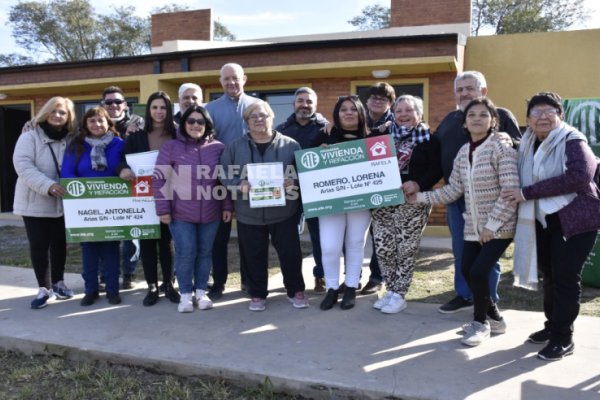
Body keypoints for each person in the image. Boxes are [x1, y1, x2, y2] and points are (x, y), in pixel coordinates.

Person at [409, 97, 519, 346]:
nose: (477, 119)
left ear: (493, 121)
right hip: (473, 226)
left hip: (499, 226)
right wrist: (418, 197)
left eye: (483, 114)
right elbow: (452, 191)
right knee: (468, 271)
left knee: (480, 271)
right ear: (465, 123)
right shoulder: (462, 152)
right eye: (472, 115)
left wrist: (492, 225)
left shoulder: (502, 149)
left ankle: (480, 324)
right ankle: (495, 317)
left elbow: (510, 191)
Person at [502, 92, 600, 361]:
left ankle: (563, 338)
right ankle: (552, 326)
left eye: (549, 111)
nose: (543, 116)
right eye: (536, 112)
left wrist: (528, 192)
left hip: (576, 221)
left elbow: (580, 177)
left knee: (566, 279)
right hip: (543, 220)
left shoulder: (572, 140)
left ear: (560, 115)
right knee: (550, 277)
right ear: (528, 120)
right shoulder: (527, 144)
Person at [435, 71, 521, 314]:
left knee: (486, 258)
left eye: (469, 88)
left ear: (483, 91)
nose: (464, 93)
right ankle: (464, 295)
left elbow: (519, 145)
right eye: (460, 89)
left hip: (489, 202)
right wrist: (419, 187)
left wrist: (508, 140)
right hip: (456, 198)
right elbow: (434, 156)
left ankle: (488, 302)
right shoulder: (451, 119)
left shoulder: (500, 114)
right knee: (462, 254)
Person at [220, 100, 307, 312]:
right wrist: (238, 185)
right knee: (253, 255)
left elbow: (303, 175)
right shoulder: (235, 147)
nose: (259, 119)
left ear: (272, 117)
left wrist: (292, 182)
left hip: (284, 212)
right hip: (248, 214)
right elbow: (223, 175)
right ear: (247, 122)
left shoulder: (291, 145)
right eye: (253, 117)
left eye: (263, 115)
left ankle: (295, 290)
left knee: (290, 254)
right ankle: (257, 293)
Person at [153, 105, 233, 313]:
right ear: (184, 123)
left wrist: (226, 205)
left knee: (205, 253)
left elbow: (223, 180)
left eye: (200, 122)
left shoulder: (218, 148)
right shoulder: (171, 147)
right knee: (186, 253)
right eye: (191, 121)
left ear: (207, 125)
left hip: (211, 212)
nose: (195, 125)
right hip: (180, 213)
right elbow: (160, 180)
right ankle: (186, 295)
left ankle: (201, 292)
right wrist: (163, 209)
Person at [370, 95, 442, 314]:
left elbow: (437, 168)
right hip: (383, 202)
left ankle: (400, 294)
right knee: (384, 249)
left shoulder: (429, 139)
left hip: (412, 202)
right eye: (399, 110)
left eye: (408, 110)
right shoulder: (381, 136)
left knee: (405, 249)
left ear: (419, 114)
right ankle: (390, 289)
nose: (403, 115)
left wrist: (419, 183)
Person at [13, 96, 78, 309]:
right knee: (39, 246)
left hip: (63, 202)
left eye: (63, 113)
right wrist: (47, 185)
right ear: (46, 112)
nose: (57, 116)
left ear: (69, 117)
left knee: (59, 245)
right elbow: (23, 165)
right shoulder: (29, 135)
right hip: (35, 201)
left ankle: (58, 283)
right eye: (54, 111)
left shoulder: (72, 137)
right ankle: (43, 288)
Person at [118, 91, 180, 306]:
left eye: (163, 107)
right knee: (146, 241)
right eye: (154, 107)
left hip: (172, 195)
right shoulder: (136, 136)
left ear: (169, 110)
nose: (159, 111)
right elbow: (120, 159)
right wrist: (123, 169)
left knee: (166, 242)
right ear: (148, 110)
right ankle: (152, 286)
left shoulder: (178, 135)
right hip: (142, 197)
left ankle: (169, 284)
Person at [205, 63, 259, 300]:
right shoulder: (210, 109)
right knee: (220, 238)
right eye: (226, 79)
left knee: (250, 236)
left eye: (235, 78)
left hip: (253, 181)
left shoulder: (256, 106)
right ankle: (219, 282)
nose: (231, 83)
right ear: (220, 81)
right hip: (222, 181)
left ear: (244, 79)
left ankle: (248, 281)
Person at [61, 106, 125, 306]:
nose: (97, 125)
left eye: (101, 121)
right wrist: (83, 190)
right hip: (85, 207)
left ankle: (113, 290)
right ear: (85, 125)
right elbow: (67, 173)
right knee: (89, 250)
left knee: (111, 250)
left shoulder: (119, 144)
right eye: (92, 121)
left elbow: (126, 166)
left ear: (108, 123)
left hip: (113, 207)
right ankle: (91, 290)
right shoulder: (76, 146)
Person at [317, 95, 372, 311]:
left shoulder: (372, 138)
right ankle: (331, 288)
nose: (348, 113)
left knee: (355, 244)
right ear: (336, 115)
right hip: (331, 201)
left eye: (353, 109)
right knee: (329, 247)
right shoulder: (324, 136)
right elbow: (305, 163)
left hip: (361, 201)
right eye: (343, 110)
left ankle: (350, 287)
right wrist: (321, 155)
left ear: (361, 113)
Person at [276, 87, 328, 293]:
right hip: (290, 192)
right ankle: (293, 279)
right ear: (294, 104)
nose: (304, 105)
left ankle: (321, 276)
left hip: (317, 192)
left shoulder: (326, 129)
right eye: (300, 101)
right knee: (288, 238)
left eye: (309, 101)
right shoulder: (280, 130)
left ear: (315, 105)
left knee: (320, 237)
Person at [101, 85, 144, 290]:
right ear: (103, 105)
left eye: (118, 101)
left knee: (131, 235)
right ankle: (106, 274)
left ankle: (128, 273)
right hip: (103, 188)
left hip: (131, 186)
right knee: (104, 233)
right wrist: (33, 123)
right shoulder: (96, 124)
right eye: (108, 102)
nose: (113, 105)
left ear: (125, 105)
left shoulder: (136, 125)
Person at [360, 82, 397, 295]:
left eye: (382, 99)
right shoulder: (357, 119)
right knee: (355, 234)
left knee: (381, 235)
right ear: (367, 100)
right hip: (358, 185)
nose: (377, 101)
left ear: (389, 103)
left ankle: (377, 277)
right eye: (374, 97)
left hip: (385, 186)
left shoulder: (396, 122)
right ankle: (352, 276)